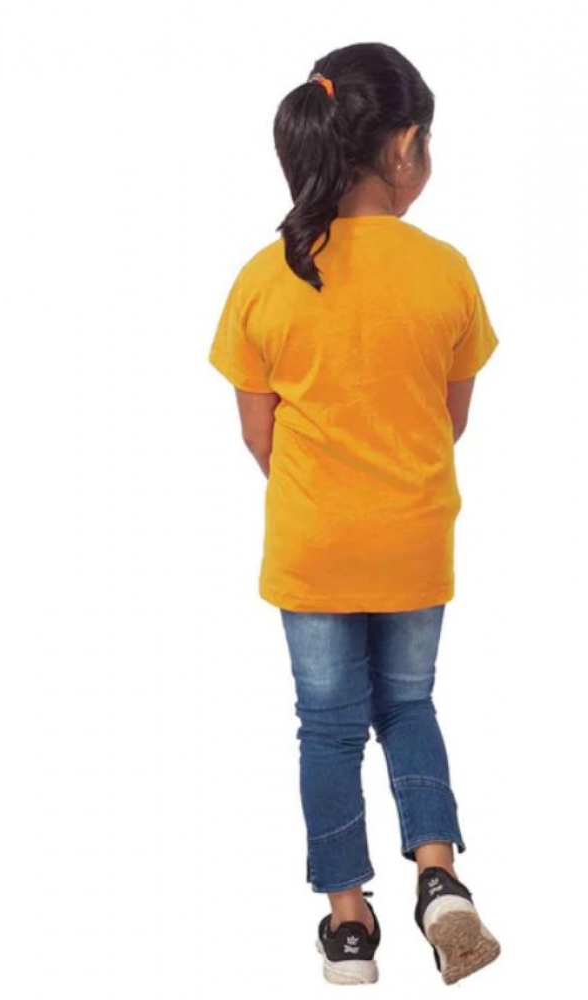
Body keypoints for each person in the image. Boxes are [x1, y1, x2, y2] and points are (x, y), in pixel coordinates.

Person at [208, 42, 500, 986]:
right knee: (408, 705)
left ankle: (346, 926)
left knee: (328, 728)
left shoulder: (267, 276)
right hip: (414, 540)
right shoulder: (445, 270)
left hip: (313, 547)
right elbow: (449, 419)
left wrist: (320, 492)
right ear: (405, 147)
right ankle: (439, 878)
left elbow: (259, 433)